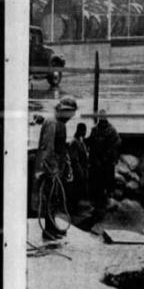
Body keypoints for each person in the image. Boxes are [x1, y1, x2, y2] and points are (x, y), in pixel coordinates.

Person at [35, 95, 78, 240]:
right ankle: (48, 231)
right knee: (49, 201)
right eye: (69, 114)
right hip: (49, 170)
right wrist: (51, 170)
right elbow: (47, 148)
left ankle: (53, 228)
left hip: (57, 169)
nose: (70, 117)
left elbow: (62, 149)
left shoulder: (61, 123)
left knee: (55, 200)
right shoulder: (52, 122)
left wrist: (67, 167)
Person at [87, 110, 121, 210]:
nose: (102, 123)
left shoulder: (112, 130)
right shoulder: (94, 129)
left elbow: (116, 144)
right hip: (96, 160)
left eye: (103, 120)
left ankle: (107, 197)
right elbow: (91, 143)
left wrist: (109, 156)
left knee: (107, 179)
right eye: (100, 120)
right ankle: (97, 199)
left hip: (107, 160)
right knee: (96, 180)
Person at [66, 121, 89, 210]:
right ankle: (72, 208)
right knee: (75, 189)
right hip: (77, 170)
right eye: (84, 131)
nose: (85, 133)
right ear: (80, 131)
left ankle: (76, 206)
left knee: (79, 189)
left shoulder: (80, 141)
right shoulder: (74, 142)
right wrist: (80, 172)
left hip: (82, 168)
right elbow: (74, 159)